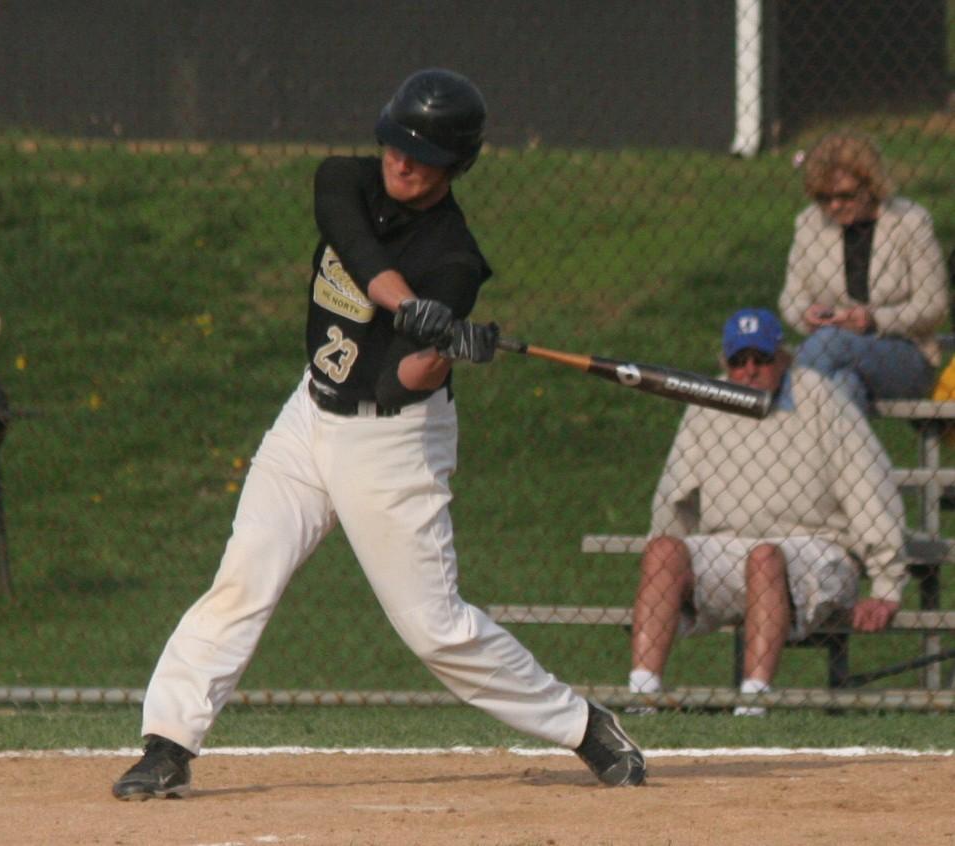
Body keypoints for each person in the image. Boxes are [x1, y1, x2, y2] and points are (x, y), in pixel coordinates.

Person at [112, 68, 645, 799]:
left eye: (423, 155)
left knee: (435, 630)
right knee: (243, 578)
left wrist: (444, 346)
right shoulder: (344, 180)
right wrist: (405, 305)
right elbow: (358, 252)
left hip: (391, 442)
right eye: (396, 143)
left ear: (456, 167)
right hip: (308, 415)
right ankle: (167, 744)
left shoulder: (455, 259)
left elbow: (401, 381)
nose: (402, 161)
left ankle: (584, 726)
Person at [627, 308, 908, 714]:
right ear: (727, 365)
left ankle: (753, 703)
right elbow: (675, 495)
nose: (751, 370)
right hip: (731, 549)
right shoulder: (708, 402)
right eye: (739, 361)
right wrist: (666, 577)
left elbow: (869, 487)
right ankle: (641, 694)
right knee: (662, 551)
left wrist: (886, 582)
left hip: (818, 550)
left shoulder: (821, 398)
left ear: (783, 358)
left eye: (761, 359)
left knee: (765, 557)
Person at [778, 131, 948, 415]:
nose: (833, 206)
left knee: (829, 343)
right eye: (823, 197)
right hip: (829, 356)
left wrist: (873, 320)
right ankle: (836, 459)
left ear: (870, 186)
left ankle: (785, 432)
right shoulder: (808, 223)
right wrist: (807, 314)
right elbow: (791, 299)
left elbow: (934, 306)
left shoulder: (910, 222)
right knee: (844, 388)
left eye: (845, 195)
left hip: (903, 353)